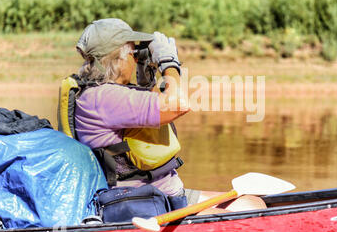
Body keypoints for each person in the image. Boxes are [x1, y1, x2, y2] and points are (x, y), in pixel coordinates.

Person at [66, 18, 265, 212]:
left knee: (252, 202)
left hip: (158, 196)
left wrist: (147, 76)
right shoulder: (105, 98)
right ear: (117, 58)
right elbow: (178, 104)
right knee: (253, 208)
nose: (137, 59)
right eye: (133, 53)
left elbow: (147, 108)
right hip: (147, 204)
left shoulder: (97, 94)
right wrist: (169, 63)